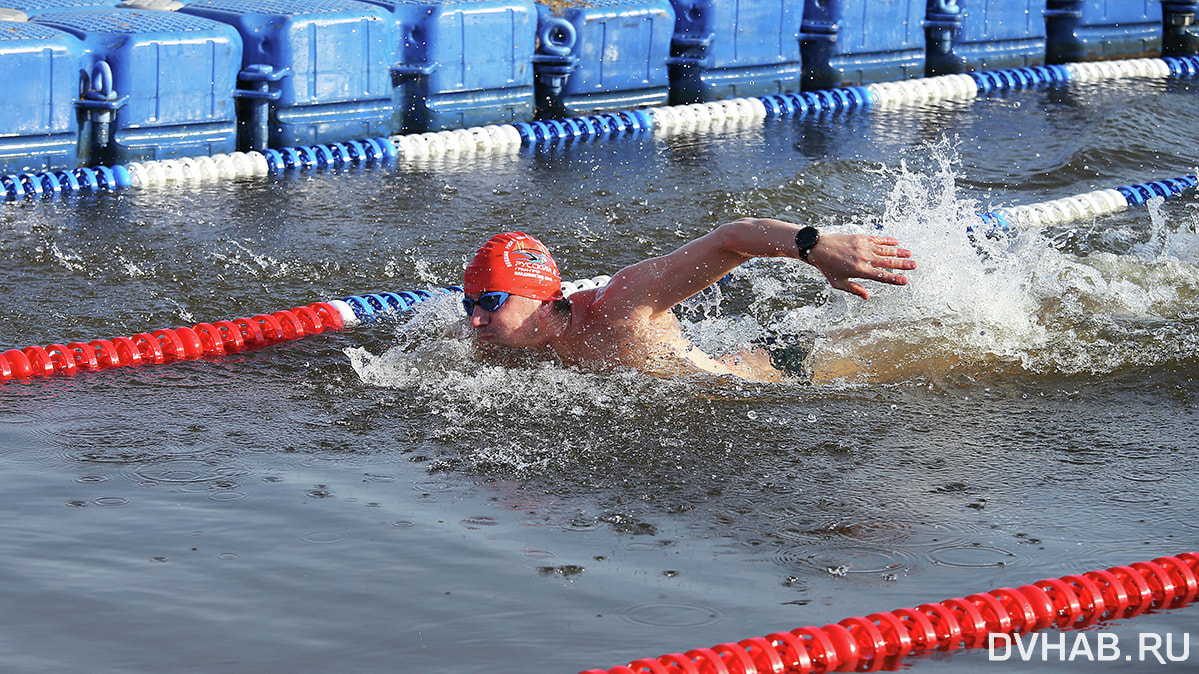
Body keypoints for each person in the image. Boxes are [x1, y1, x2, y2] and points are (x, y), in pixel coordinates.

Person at [461, 218, 916, 382]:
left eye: (491, 302)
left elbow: (731, 238)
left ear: (540, 297)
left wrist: (815, 247)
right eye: (470, 305)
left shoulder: (621, 303)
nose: (476, 321)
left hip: (777, 376)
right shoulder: (509, 346)